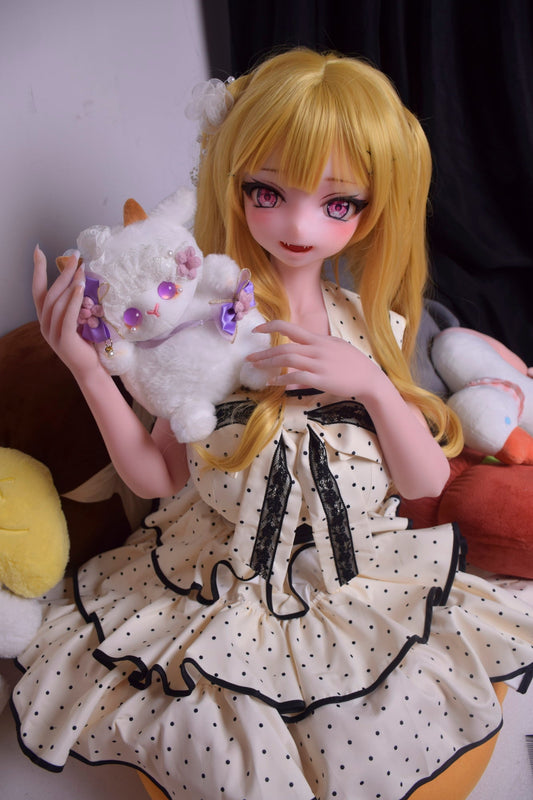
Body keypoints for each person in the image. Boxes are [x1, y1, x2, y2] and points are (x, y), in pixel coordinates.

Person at [12, 48, 533, 800]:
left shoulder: (367, 323)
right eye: (267, 191)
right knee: (225, 753)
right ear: (234, 184)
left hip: (358, 577)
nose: (297, 223)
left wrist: (371, 386)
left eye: (338, 204)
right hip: (219, 583)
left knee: (394, 734)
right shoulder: (201, 328)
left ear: (373, 209)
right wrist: (90, 371)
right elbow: (158, 476)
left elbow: (423, 481)